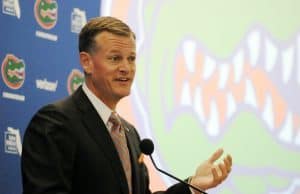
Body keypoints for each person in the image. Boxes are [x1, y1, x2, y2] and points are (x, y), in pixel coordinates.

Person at [21, 16, 232, 194]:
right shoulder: (56, 122)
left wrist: (192, 186)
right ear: (87, 62)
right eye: (115, 58)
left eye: (131, 59)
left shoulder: (130, 134)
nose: (126, 68)